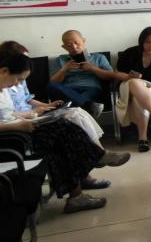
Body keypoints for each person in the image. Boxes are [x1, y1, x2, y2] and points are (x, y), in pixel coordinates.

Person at [0, 49, 115, 213]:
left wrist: (31, 115)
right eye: (18, 79)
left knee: (62, 127)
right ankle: (96, 158)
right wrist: (17, 126)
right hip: (10, 137)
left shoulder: (4, 89)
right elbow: (7, 121)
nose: (18, 85)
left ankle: (80, 189)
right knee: (60, 137)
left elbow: (10, 114)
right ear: (4, 71)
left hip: (19, 128)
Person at [0, 40, 129, 168]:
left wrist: (45, 106)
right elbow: (11, 114)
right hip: (25, 119)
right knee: (69, 124)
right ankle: (96, 156)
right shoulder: (8, 82)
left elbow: (27, 99)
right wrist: (64, 70)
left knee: (75, 113)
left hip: (32, 114)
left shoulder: (15, 81)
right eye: (23, 59)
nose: (27, 63)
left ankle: (99, 153)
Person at [47, 29, 114, 118]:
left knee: (73, 105)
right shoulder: (60, 60)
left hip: (91, 89)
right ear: (64, 47)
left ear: (83, 40)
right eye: (69, 45)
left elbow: (111, 77)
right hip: (68, 91)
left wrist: (93, 68)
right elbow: (54, 82)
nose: (74, 47)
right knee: (51, 86)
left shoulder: (98, 57)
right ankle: (89, 106)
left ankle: (82, 106)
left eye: (77, 43)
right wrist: (64, 70)